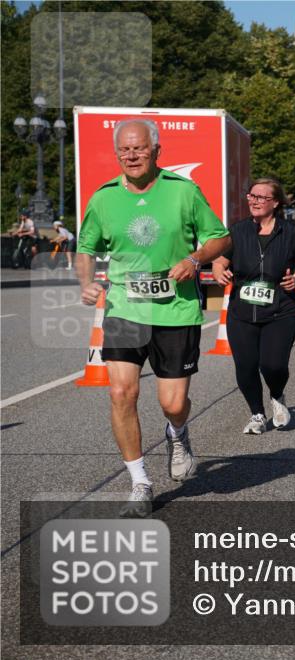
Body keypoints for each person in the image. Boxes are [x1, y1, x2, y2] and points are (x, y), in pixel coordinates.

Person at [76, 118, 231, 517]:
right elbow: (85, 248)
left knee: (172, 402)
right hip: (126, 309)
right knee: (120, 393)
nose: (131, 155)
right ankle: (140, 483)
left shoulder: (184, 192)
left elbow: (220, 237)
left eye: (139, 148)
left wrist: (195, 259)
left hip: (175, 310)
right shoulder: (104, 198)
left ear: (156, 151)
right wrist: (87, 282)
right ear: (117, 154)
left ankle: (177, 433)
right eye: (124, 149)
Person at [211, 178, 295, 435]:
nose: (254, 201)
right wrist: (218, 271)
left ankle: (277, 395)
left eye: (261, 197)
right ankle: (257, 413)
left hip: (280, 310)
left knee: (273, 365)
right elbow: (219, 260)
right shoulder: (237, 231)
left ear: (275, 202)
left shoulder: (289, 232)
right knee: (245, 366)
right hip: (242, 312)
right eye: (251, 196)